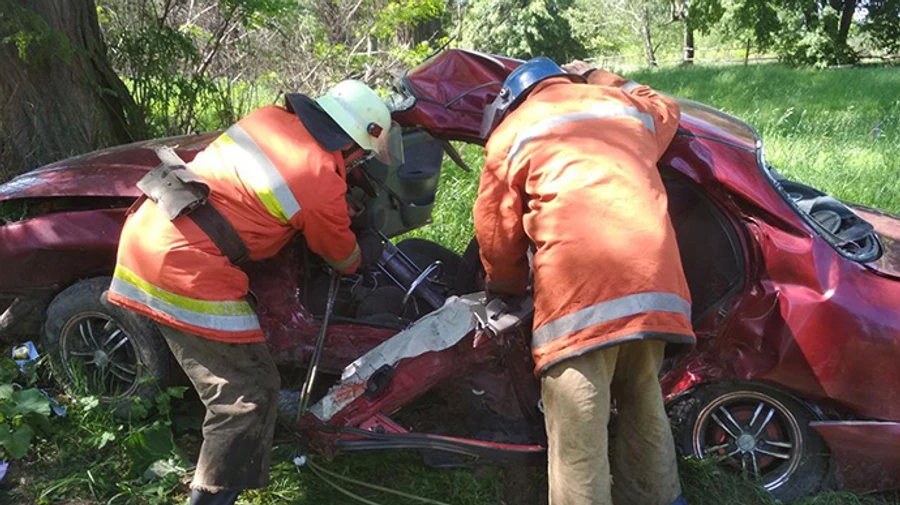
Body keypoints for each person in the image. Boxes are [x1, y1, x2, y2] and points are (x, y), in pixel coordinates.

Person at [107, 80, 392, 505]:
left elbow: (255, 192)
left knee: (244, 377)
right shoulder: (320, 178)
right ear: (353, 147)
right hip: (186, 269)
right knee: (247, 393)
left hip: (149, 231)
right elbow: (342, 257)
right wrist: (361, 251)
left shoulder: (267, 119)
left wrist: (327, 206)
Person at [474, 57, 695, 505]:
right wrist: (598, 74)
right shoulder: (621, 106)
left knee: (579, 430)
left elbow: (496, 232)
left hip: (581, 301)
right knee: (643, 403)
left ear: (512, 100)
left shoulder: (513, 132)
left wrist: (507, 287)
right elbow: (666, 105)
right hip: (656, 289)